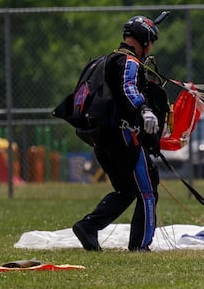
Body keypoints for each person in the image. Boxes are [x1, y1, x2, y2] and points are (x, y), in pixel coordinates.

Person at [71, 16, 166, 251]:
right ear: (144, 40)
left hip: (104, 141)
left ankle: (88, 227)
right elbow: (128, 87)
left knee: (126, 190)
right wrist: (144, 110)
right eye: (151, 42)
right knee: (147, 190)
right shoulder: (129, 61)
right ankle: (140, 246)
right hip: (125, 138)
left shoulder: (108, 60)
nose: (151, 48)